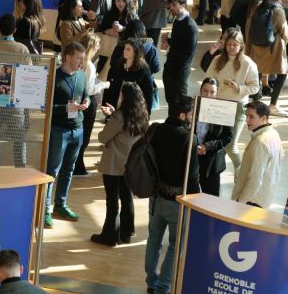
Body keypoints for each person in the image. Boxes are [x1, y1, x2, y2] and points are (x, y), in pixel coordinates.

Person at [144, 97, 200, 294]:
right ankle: (163, 287)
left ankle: (151, 281)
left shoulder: (157, 130)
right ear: (182, 115)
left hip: (156, 196)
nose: (193, 118)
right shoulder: (188, 138)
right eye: (191, 114)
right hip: (177, 202)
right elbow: (192, 177)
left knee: (154, 240)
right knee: (175, 245)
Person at [92, 82, 148, 246]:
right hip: (130, 165)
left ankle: (109, 236)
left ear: (124, 97)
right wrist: (114, 114)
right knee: (127, 198)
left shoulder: (119, 117)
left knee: (112, 201)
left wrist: (112, 117)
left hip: (113, 164)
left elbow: (103, 137)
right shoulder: (142, 116)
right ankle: (126, 233)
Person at [44, 42, 90, 228]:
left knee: (69, 170)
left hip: (77, 129)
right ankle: (46, 209)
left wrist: (86, 101)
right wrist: (66, 108)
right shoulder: (54, 77)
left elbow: (85, 94)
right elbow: (45, 107)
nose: (82, 62)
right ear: (68, 57)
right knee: (52, 171)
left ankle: (60, 204)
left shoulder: (80, 76)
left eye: (83, 58)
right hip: (59, 131)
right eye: (79, 58)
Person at [205, 27, 260, 170]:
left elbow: (255, 87)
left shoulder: (247, 63)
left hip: (237, 108)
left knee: (230, 146)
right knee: (213, 140)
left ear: (241, 45)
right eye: (229, 44)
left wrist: (239, 88)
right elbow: (208, 79)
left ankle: (239, 171)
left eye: (235, 44)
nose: (231, 47)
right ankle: (214, 170)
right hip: (218, 105)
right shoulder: (218, 59)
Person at [231, 101, 284, 209]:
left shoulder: (260, 143)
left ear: (264, 118)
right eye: (246, 116)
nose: (247, 120)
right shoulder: (274, 134)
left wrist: (240, 202)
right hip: (264, 198)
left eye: (251, 117)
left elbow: (255, 180)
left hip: (251, 202)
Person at [246, 0, 288, 116]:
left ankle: (255, 101)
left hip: (257, 46)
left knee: (257, 72)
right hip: (273, 48)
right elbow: (285, 32)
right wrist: (284, 42)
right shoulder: (278, 10)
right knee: (282, 74)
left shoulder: (258, 7)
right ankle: (273, 104)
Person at [74, 33, 109, 177]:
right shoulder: (88, 65)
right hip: (87, 104)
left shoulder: (79, 62)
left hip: (76, 102)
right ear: (91, 47)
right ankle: (77, 167)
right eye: (97, 45)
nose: (99, 47)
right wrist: (104, 85)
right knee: (85, 136)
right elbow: (89, 90)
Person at [195, 79, 233, 196]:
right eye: (205, 91)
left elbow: (227, 137)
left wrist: (207, 146)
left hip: (211, 160)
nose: (208, 95)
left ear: (217, 94)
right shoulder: (193, 106)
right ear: (200, 91)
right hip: (192, 157)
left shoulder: (223, 110)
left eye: (212, 92)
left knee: (211, 197)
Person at [161, 0, 198, 108]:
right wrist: (168, 41)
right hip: (171, 66)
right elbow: (179, 42)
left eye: (174, 5)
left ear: (183, 5)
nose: (171, 8)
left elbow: (188, 52)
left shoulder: (190, 26)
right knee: (170, 99)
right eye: (170, 5)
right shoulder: (177, 20)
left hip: (180, 70)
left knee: (179, 101)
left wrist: (171, 48)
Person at [103, 39, 154, 115]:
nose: (124, 51)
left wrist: (147, 113)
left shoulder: (143, 69)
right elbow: (109, 85)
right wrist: (105, 104)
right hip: (114, 107)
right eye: (125, 48)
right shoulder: (118, 65)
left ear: (136, 52)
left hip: (133, 109)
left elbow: (148, 92)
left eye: (128, 49)